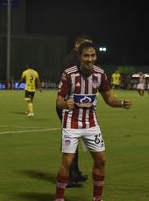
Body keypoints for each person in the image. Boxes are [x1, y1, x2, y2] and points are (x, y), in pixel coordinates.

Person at [55, 42, 132, 201]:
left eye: (93, 55)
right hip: (72, 123)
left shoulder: (100, 74)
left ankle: (97, 198)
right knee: (67, 161)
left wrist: (122, 103)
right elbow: (59, 101)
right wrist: (65, 104)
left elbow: (109, 98)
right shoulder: (69, 74)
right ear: (79, 57)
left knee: (101, 159)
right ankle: (59, 198)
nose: (90, 59)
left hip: (91, 123)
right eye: (86, 56)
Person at [57, 34, 93, 187]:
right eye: (86, 45)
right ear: (78, 44)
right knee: (70, 140)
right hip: (68, 104)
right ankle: (68, 178)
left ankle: (75, 172)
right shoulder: (71, 60)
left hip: (75, 104)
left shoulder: (73, 58)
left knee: (75, 139)